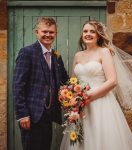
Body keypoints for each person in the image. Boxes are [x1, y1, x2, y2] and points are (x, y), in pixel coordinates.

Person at [60, 20, 132, 150]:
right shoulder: (78, 55)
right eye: (85, 31)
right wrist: (71, 97)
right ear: (82, 35)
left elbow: (112, 80)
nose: (88, 34)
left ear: (98, 35)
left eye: (92, 31)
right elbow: (73, 82)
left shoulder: (104, 52)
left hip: (101, 103)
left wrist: (88, 95)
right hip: (81, 107)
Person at [13, 17, 69, 150]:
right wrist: (22, 114)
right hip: (31, 115)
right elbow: (18, 85)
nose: (48, 35)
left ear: (56, 34)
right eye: (45, 31)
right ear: (37, 32)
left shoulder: (56, 56)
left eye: (51, 32)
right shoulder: (27, 53)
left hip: (48, 115)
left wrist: (80, 91)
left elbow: (65, 80)